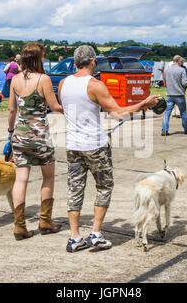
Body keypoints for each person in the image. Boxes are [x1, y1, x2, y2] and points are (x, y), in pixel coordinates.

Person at [58, 45, 158, 252]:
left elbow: (66, 110)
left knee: (75, 190)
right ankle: (95, 233)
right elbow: (118, 113)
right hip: (95, 145)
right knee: (104, 187)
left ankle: (75, 237)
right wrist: (142, 104)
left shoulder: (63, 83)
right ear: (93, 61)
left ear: (76, 62)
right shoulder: (95, 85)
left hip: (73, 146)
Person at [7, 42, 64, 240]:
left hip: (20, 136)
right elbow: (55, 106)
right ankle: (45, 221)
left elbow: (12, 110)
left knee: (21, 179)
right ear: (39, 58)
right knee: (48, 177)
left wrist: (11, 130)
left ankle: (19, 225)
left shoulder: (14, 80)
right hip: (40, 138)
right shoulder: (44, 79)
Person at [162, 55, 187, 136]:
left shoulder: (167, 70)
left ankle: (165, 130)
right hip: (179, 94)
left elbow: (165, 81)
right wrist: (182, 87)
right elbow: (184, 83)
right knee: (183, 112)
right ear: (177, 61)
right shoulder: (181, 70)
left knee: (167, 113)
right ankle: (186, 129)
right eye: (181, 61)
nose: (182, 63)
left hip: (169, 94)